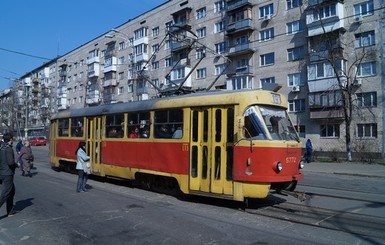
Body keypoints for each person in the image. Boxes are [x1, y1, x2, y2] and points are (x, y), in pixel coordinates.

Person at [0, 133, 19, 216]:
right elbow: (10, 163)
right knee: (5, 194)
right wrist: (17, 165)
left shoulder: (1, 147)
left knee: (11, 191)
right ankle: (10, 211)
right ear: (10, 139)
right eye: (12, 139)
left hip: (2, 172)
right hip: (7, 174)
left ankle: (10, 211)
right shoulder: (8, 149)